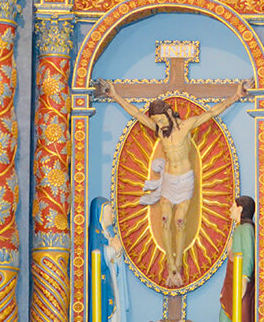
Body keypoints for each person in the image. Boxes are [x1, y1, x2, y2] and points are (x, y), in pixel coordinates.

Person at [103, 79, 250, 287]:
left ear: (169, 114)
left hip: (185, 180)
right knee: (165, 218)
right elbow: (136, 114)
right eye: (156, 121)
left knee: (180, 221)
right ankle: (170, 265)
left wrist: (236, 96)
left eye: (162, 119)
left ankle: (178, 265)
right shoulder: (159, 130)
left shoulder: (186, 126)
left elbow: (212, 113)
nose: (160, 124)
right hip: (169, 180)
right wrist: (114, 95)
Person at [89, 197, 131, 322]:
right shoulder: (94, 233)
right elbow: (97, 257)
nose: (113, 215)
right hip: (101, 284)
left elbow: (115, 262)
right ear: (100, 213)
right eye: (110, 212)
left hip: (110, 281)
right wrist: (113, 250)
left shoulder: (107, 234)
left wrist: (118, 255)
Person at [219, 195, 256, 322]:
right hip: (232, 279)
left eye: (233, 206)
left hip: (239, 280)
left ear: (240, 209)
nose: (230, 209)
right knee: (225, 315)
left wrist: (244, 279)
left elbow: (248, 255)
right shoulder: (239, 228)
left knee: (238, 314)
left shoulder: (246, 229)